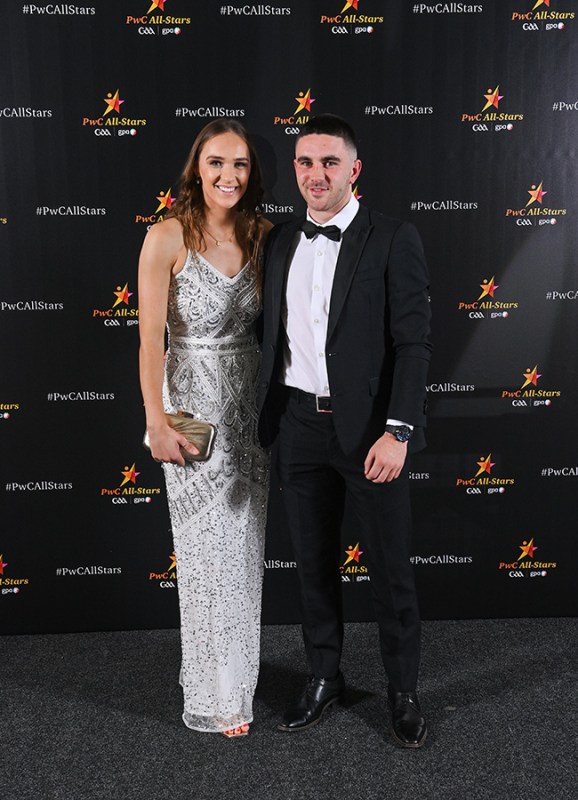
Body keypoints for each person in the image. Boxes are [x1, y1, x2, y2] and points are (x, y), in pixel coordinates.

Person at [257, 114, 432, 748]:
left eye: (329, 162)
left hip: (370, 435)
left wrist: (399, 431)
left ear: (354, 170)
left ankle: (403, 690)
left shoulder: (392, 237)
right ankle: (323, 677)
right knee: (312, 567)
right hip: (299, 428)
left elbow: (414, 345)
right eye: (305, 163)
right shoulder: (279, 241)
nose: (315, 175)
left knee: (389, 571)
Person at [138, 119, 271, 738]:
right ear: (197, 168)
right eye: (217, 163)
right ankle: (215, 692)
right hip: (191, 412)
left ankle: (237, 681)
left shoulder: (266, 236)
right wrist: (156, 422)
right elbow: (147, 344)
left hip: (251, 410)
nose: (228, 176)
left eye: (240, 165)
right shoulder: (166, 237)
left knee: (242, 551)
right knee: (202, 553)